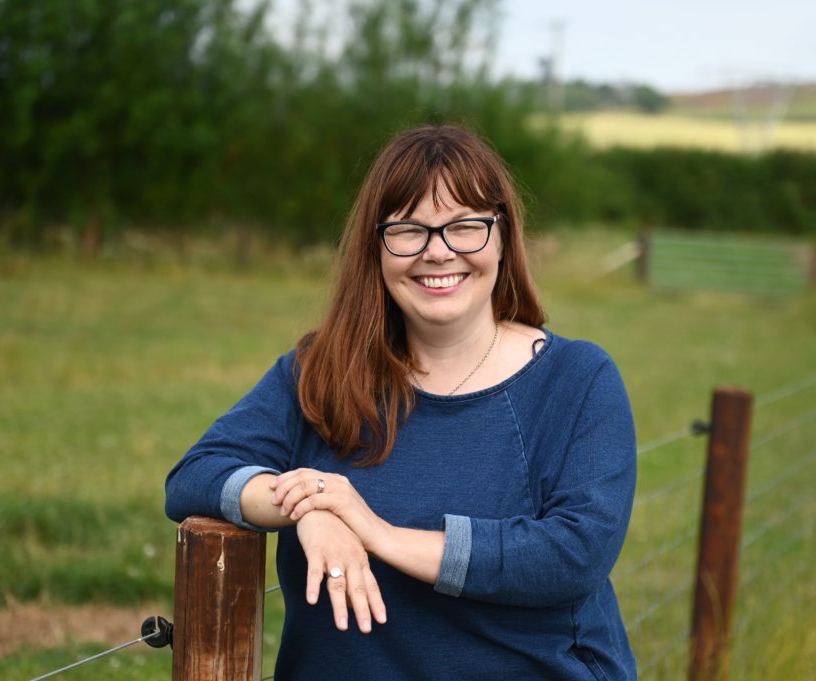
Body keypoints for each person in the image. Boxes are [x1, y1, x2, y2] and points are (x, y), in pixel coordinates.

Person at [165, 125, 637, 680]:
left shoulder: (576, 379)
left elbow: (572, 553)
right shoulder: (322, 371)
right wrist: (311, 504)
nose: (438, 252)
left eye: (465, 226)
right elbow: (193, 476)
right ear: (377, 246)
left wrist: (377, 533)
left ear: (504, 236)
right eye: (409, 230)